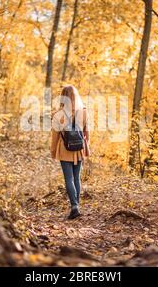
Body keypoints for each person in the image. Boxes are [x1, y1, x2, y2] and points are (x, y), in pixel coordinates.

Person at [50, 85, 90, 219]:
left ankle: (74, 207)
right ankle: (76, 206)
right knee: (76, 178)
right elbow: (86, 133)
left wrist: (53, 151)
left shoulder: (58, 114)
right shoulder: (83, 112)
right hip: (79, 149)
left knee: (69, 178)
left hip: (64, 149)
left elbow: (55, 137)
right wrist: (86, 147)